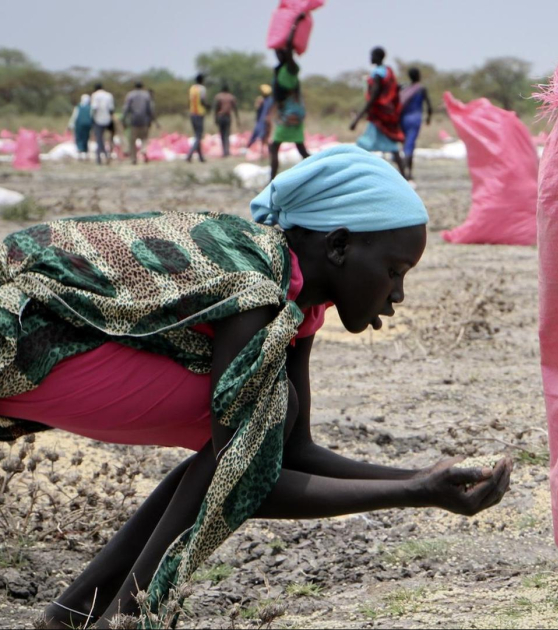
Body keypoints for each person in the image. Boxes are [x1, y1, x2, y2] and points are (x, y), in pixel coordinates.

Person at [0, 145, 513, 628]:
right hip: (18, 333)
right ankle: (125, 619)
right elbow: (245, 477)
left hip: (49, 353)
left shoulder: (297, 304)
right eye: (393, 271)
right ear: (337, 245)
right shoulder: (255, 287)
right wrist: (413, 492)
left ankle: (71, 617)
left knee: (258, 426)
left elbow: (293, 452)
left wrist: (422, 476)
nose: (398, 293)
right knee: (251, 431)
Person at [350, 47, 406, 178]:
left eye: (372, 55)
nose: (370, 58)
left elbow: (374, 96)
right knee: (392, 148)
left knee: (362, 146)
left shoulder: (377, 74)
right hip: (387, 114)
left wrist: (357, 118)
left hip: (379, 116)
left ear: (378, 57)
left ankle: (357, 175)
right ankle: (405, 177)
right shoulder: (388, 71)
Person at [270, 14, 311, 179]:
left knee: (275, 147)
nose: (278, 54)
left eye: (281, 52)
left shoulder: (292, 68)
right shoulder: (280, 69)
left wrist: (294, 24)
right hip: (288, 111)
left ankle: (271, 181)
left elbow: (288, 46)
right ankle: (318, 172)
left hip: (291, 113)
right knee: (300, 148)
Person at [399, 67, 433, 182]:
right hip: (415, 119)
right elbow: (429, 106)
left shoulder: (405, 89)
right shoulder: (421, 89)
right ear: (418, 75)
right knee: (410, 146)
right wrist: (428, 118)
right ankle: (404, 172)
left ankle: (409, 172)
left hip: (403, 119)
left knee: (407, 145)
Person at [123, 81, 155, 165]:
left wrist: (124, 119)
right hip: (144, 120)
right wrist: (151, 119)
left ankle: (133, 159)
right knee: (144, 138)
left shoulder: (130, 95)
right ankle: (143, 149)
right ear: (142, 86)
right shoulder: (146, 95)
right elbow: (150, 109)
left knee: (132, 141)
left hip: (134, 120)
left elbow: (126, 108)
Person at [90, 83, 115, 165]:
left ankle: (100, 158)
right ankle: (106, 155)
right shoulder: (109, 95)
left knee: (99, 139)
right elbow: (111, 109)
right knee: (108, 138)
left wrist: (92, 119)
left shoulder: (95, 95)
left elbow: (94, 108)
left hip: (98, 120)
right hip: (108, 120)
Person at [186, 74, 209, 163]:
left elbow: (189, 101)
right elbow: (202, 101)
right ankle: (190, 155)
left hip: (192, 113)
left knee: (197, 135)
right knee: (199, 136)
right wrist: (208, 106)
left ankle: (200, 157)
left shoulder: (192, 89)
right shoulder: (202, 89)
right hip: (199, 113)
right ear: (202, 80)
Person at [214, 84, 241, 158]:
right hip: (227, 117)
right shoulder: (231, 97)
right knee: (227, 134)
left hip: (220, 116)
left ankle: (224, 151)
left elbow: (216, 108)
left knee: (222, 135)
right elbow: (235, 109)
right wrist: (237, 118)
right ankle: (227, 151)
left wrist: (215, 118)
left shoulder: (218, 97)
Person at [248, 84, 275, 157]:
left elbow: (260, 110)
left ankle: (264, 151)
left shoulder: (266, 101)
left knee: (262, 136)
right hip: (265, 120)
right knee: (264, 136)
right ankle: (265, 151)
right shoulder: (268, 100)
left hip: (263, 121)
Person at [67, 94, 93, 161]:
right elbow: (92, 116)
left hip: (79, 124)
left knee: (79, 137)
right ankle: (85, 152)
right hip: (87, 124)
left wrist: (70, 125)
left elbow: (74, 116)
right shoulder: (90, 107)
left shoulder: (78, 107)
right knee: (86, 137)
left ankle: (80, 151)